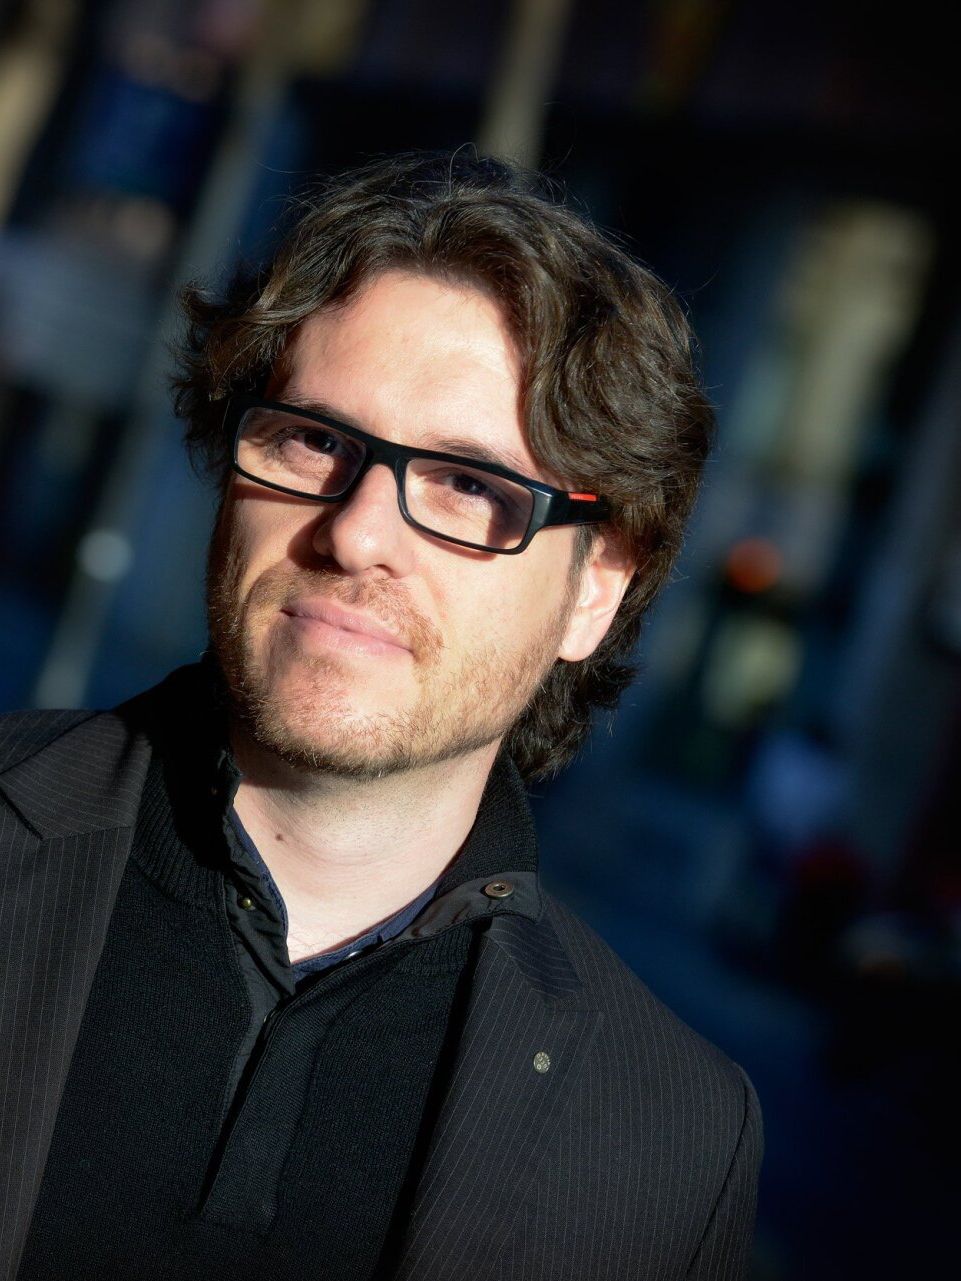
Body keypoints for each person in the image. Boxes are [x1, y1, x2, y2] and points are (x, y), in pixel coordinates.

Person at [0, 151, 761, 1281]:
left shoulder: (671, 1139)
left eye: (471, 486)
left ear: (594, 589)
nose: (357, 534)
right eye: (314, 441)